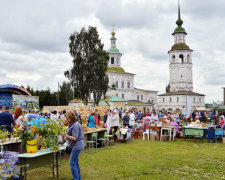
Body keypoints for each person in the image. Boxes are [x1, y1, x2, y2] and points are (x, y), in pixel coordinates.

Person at [62, 111, 84, 180]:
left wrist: (66, 135)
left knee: (72, 163)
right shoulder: (72, 124)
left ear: (71, 118)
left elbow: (75, 138)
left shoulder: (76, 125)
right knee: (75, 163)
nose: (67, 120)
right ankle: (78, 178)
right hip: (75, 145)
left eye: (67, 118)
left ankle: (76, 178)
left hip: (77, 146)